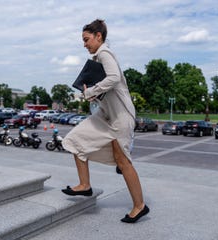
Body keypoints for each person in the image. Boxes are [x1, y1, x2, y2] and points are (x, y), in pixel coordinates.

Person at [61, 19, 149, 223]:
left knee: (123, 162)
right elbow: (108, 87)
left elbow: (114, 78)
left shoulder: (104, 53)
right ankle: (84, 185)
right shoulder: (98, 59)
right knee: (75, 140)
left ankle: (140, 206)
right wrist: (93, 95)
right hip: (105, 115)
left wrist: (91, 90)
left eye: (86, 39)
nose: (84, 44)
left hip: (120, 117)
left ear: (98, 36)